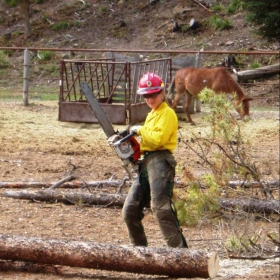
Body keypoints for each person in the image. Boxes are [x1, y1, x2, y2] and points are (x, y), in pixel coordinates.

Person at [122, 72, 188, 248]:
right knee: (130, 210)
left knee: (161, 208)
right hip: (147, 161)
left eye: (153, 95)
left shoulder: (167, 113)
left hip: (161, 160)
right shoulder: (153, 114)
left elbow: (158, 140)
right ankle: (139, 252)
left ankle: (180, 254)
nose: (150, 99)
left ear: (161, 93)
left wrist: (141, 130)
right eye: (146, 96)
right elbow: (148, 141)